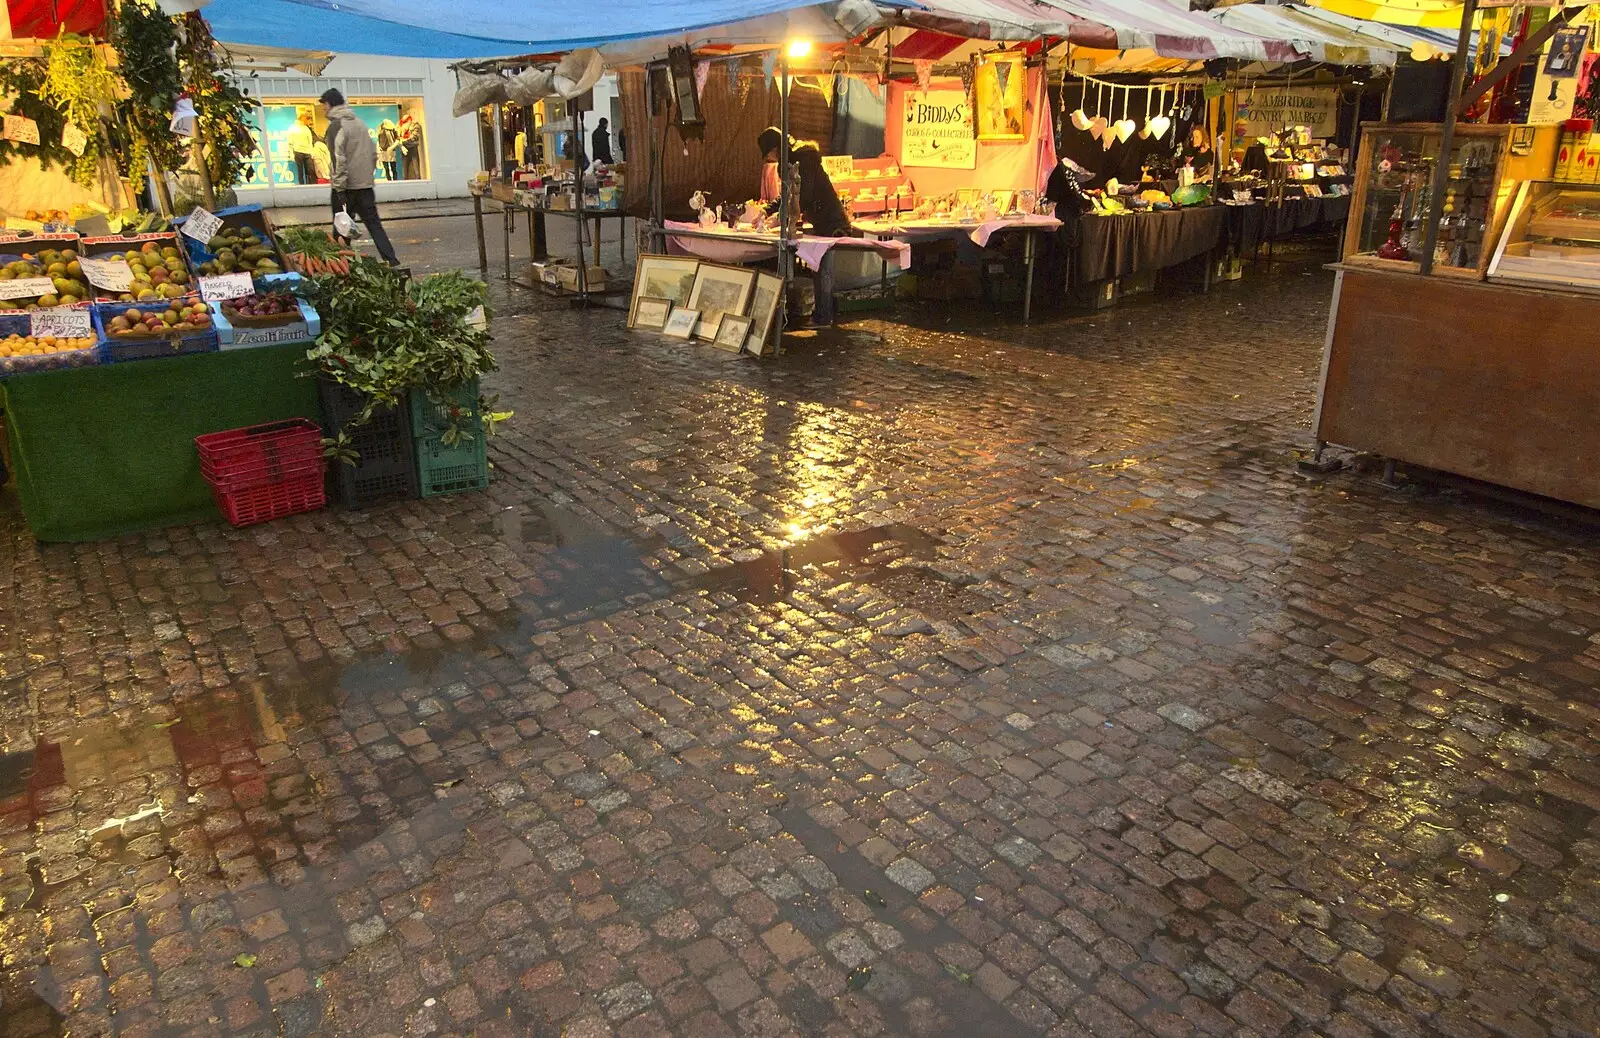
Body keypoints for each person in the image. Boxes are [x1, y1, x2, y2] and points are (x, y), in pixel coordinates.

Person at [320, 88, 400, 266]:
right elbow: (373, 154)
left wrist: (339, 189)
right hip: (365, 187)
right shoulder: (360, 124)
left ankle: (343, 267)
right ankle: (392, 260)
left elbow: (337, 159)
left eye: (324, 105)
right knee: (374, 225)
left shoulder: (336, 126)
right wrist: (365, 177)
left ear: (330, 104)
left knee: (341, 229)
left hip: (346, 188)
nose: (323, 109)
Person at [756, 127, 851, 236]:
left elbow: (802, 195)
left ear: (774, 149)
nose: (769, 158)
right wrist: (766, 210)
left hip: (834, 226)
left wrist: (781, 217)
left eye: (767, 154)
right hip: (822, 223)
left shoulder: (803, 160)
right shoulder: (792, 160)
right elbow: (788, 194)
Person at [287, 111, 316, 185]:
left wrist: (311, 152)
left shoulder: (306, 128)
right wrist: (291, 153)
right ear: (302, 118)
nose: (307, 120)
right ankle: (302, 186)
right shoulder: (293, 128)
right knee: (300, 171)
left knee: (311, 170)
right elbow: (290, 141)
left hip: (307, 152)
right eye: (306, 118)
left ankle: (312, 185)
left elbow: (310, 141)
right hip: (298, 151)